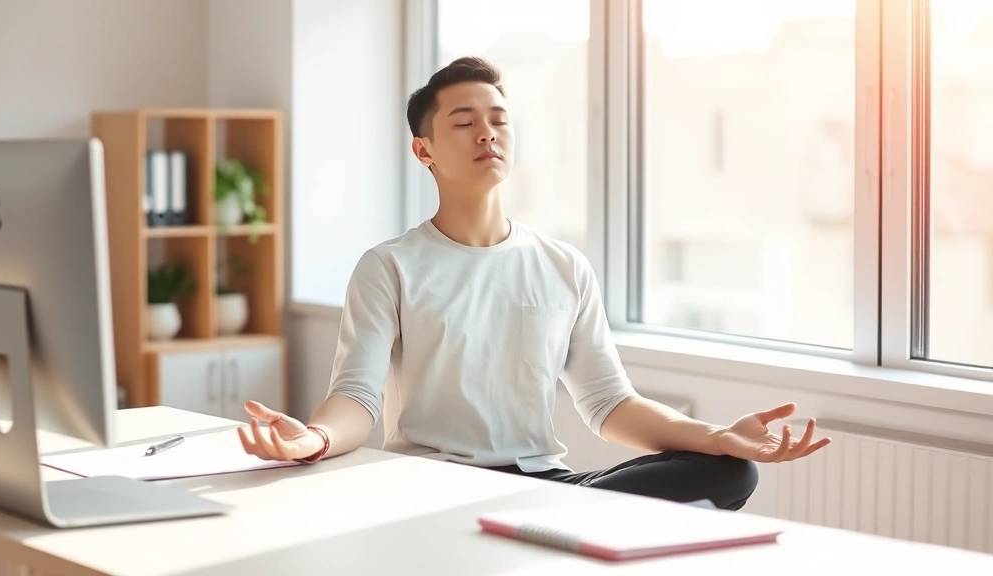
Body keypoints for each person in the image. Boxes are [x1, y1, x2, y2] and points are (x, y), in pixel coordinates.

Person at [237, 56, 830, 511]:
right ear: (424, 150)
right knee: (577, 506)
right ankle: (548, 528)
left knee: (730, 472)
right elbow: (358, 399)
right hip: (436, 483)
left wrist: (717, 436)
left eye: (499, 121)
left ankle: (547, 522)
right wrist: (314, 438)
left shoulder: (563, 265)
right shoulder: (390, 265)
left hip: (545, 483)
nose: (486, 134)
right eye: (464, 123)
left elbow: (609, 405)